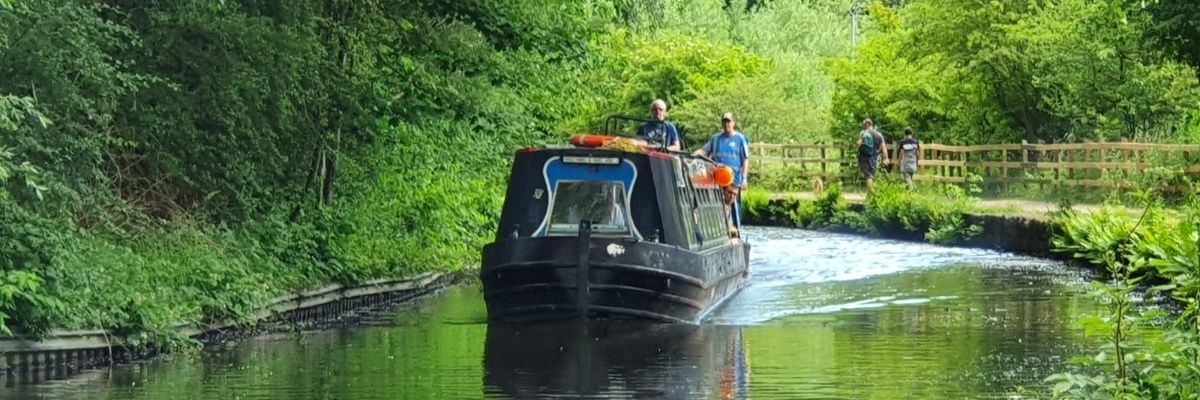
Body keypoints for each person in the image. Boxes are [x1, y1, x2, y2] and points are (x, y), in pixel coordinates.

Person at [694, 112, 750, 230]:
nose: (726, 124)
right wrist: (696, 153)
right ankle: (717, 227)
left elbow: (745, 159)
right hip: (718, 178)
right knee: (717, 203)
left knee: (734, 205)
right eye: (724, 122)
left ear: (733, 123)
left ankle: (736, 229)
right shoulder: (715, 139)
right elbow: (704, 151)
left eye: (729, 121)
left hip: (734, 179)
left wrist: (744, 178)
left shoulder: (740, 139)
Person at [856, 118, 889, 194]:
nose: (863, 127)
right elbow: (883, 147)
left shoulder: (863, 133)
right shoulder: (879, 134)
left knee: (868, 176)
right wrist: (886, 158)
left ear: (867, 124)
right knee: (871, 176)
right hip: (874, 158)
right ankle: (869, 196)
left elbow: (858, 143)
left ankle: (872, 194)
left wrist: (857, 146)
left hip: (864, 158)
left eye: (864, 125)